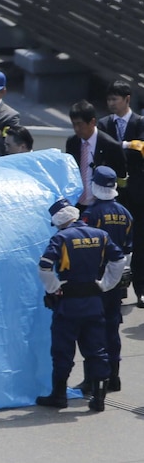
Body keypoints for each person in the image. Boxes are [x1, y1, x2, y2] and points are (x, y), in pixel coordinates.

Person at [35, 198, 125, 412]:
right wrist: (106, 284)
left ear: (58, 221)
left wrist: (54, 287)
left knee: (62, 351)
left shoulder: (61, 238)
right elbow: (119, 259)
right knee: (96, 350)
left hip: (68, 305)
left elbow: (44, 266)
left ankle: (59, 396)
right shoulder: (100, 235)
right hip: (94, 301)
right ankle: (99, 398)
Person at [73, 167, 133, 394]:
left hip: (95, 279)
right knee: (112, 327)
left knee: (91, 330)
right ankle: (114, 376)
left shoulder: (90, 214)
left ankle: (93, 379)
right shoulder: (126, 214)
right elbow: (127, 249)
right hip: (117, 278)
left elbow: (87, 248)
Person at [95, 81, 144, 307]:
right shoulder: (104, 124)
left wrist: (119, 145)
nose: (111, 103)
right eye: (109, 99)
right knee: (111, 242)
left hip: (137, 193)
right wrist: (126, 145)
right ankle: (112, 290)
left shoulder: (140, 123)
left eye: (115, 99)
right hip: (111, 193)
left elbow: (140, 148)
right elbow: (103, 150)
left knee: (140, 242)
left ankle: (141, 290)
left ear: (127, 99)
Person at [65, 100, 126, 211]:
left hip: (100, 207)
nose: (76, 129)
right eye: (74, 124)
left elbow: (121, 181)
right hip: (76, 205)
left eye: (80, 124)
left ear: (92, 122)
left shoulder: (111, 146)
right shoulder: (72, 142)